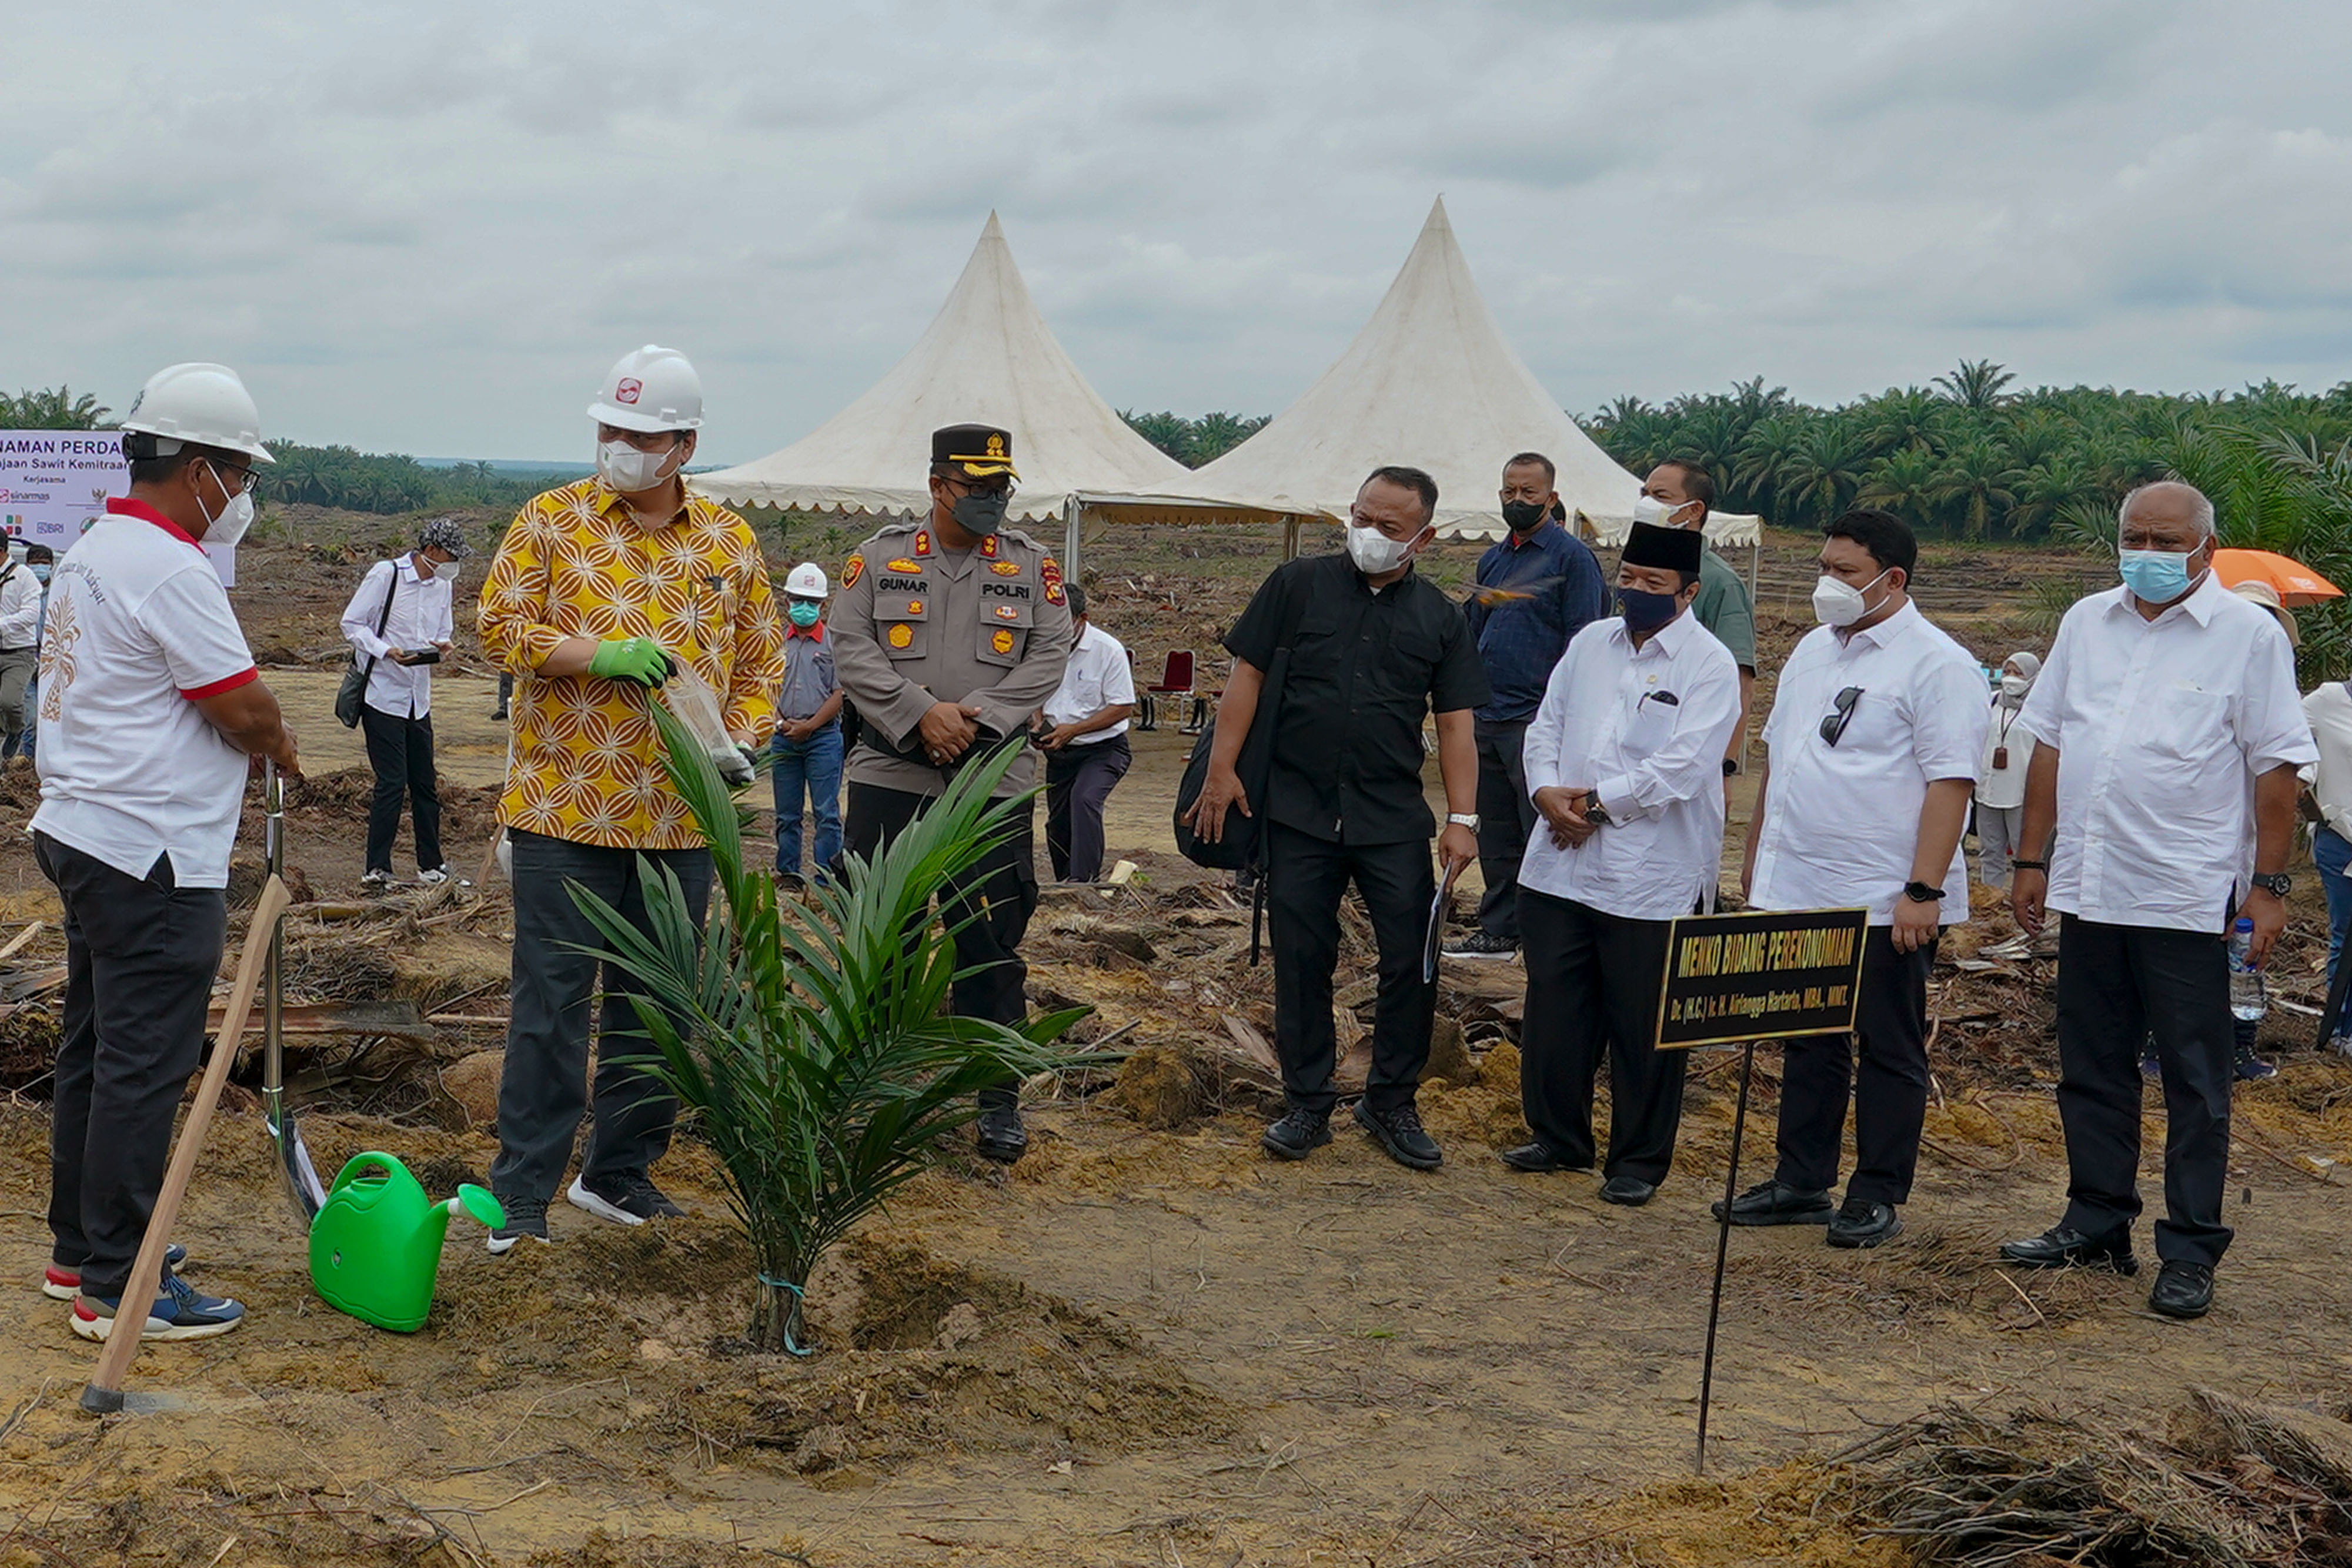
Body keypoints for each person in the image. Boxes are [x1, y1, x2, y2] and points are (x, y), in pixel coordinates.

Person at [477, 345, 786, 1252]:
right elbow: (499, 624)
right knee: (551, 1007)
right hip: (565, 812)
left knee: (657, 1005)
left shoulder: (730, 541)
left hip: (682, 819)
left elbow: (762, 661)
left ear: (684, 445)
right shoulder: (551, 519)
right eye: (610, 428)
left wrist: (743, 742)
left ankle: (615, 1172)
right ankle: (524, 1191)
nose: (620, 444)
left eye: (641, 433)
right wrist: (593, 651)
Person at [2001, 483, 2316, 1319]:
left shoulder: (2248, 637)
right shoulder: (2086, 622)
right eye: (2134, 534)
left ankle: (2190, 1247)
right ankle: (2097, 1221)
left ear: (2205, 548)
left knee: (2195, 1078)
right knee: (2092, 1067)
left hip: (2187, 894)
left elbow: (2277, 766)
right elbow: (2050, 742)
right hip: (2092, 888)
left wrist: (2270, 887)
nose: (2146, 549)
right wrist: (2031, 856)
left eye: (2165, 537)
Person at [35, 362, 298, 1340]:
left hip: (86, 831)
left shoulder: (99, 546)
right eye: (240, 473)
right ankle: (120, 1279)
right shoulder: (170, 564)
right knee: (141, 1067)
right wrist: (277, 740)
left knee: (98, 1054)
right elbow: (239, 704)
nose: (245, 496)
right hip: (149, 853)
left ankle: (81, 1253)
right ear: (197, 469)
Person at [1184, 466, 1489, 1170]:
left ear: (1424, 536)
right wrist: (1222, 769)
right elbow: (1246, 681)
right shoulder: (1295, 586)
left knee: (1411, 961)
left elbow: (1454, 727)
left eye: (1388, 528)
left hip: (1391, 821)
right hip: (1296, 811)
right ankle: (1307, 1103)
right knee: (1301, 958)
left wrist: (1462, 818)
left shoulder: (1440, 619)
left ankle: (1391, 1103)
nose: (1370, 536)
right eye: (1361, 518)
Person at [1725, 508, 1984, 1248]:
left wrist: (1922, 890)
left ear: (1891, 579)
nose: (1826, 583)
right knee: (1807, 1039)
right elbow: (1782, 757)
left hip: (1882, 896)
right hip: (1798, 883)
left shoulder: (1937, 663)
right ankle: (1800, 1179)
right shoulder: (1813, 649)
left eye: (1844, 572)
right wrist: (1756, 859)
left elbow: (1950, 782)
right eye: (1823, 567)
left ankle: (1876, 1191)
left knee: (1888, 1047)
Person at [831, 424, 1075, 1163]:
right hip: (891, 773)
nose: (994, 502)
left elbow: (1050, 652)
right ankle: (877, 1089)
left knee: (989, 944)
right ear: (939, 487)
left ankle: (996, 1099)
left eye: (1003, 489)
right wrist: (919, 714)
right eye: (979, 490)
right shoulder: (878, 558)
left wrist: (979, 721)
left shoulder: (1033, 566)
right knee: (884, 935)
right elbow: (851, 646)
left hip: (990, 780)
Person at [1505, 521, 1740, 1203]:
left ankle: (1636, 1162)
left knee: (1646, 1022)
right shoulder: (1589, 644)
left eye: (1653, 584)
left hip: (1650, 875)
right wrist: (1548, 794)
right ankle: (1558, 1137)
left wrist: (1596, 809)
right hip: (1558, 861)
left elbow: (1686, 767)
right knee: (1557, 1007)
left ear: (1688, 591)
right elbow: (1544, 726)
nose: (1634, 591)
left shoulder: (1708, 664)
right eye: (1628, 578)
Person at [1444, 452, 1606, 961]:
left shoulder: (1571, 559)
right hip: (1485, 714)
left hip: (1534, 719)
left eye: (1529, 493)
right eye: (1510, 492)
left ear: (1551, 498)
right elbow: (1474, 631)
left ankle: (1543, 934)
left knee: (1537, 828)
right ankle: (1499, 929)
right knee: (1494, 829)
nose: (1518, 500)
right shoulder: (1494, 559)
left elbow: (1587, 642)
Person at [341, 517, 470, 888]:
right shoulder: (387, 575)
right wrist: (386, 652)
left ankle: (431, 866)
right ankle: (376, 868)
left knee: (425, 783)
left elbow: (442, 630)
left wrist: (441, 646)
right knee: (392, 783)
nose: (453, 564)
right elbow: (352, 624)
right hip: (382, 695)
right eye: (449, 555)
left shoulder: (442, 586)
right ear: (430, 551)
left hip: (418, 698)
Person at [1636, 461, 1757, 772]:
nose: (1647, 505)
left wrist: (1724, 767)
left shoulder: (1720, 582)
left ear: (1694, 510)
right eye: (1644, 495)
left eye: (1660, 497)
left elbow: (1740, 682)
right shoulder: (1634, 573)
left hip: (1684, 753)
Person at [1037, 584, 1137, 883]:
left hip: (1104, 749)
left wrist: (1074, 730)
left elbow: (1122, 706)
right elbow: (1033, 693)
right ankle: (1064, 884)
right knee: (1058, 823)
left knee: (1085, 800)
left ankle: (1085, 884)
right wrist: (1036, 720)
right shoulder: (1041, 648)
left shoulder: (1108, 650)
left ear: (1081, 618)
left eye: (1061, 621)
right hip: (1060, 752)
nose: (1054, 628)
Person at [770, 561, 844, 889]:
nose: (804, 608)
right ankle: (789, 874)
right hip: (783, 737)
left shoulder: (834, 643)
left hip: (823, 738)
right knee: (787, 813)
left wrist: (811, 725)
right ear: (786, 600)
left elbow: (841, 692)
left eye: (811, 602)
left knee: (826, 813)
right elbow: (763, 684)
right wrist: (779, 722)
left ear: (822, 605)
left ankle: (826, 879)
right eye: (797, 600)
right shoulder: (774, 641)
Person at [2303, 668, 2352, 1054]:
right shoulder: (2328, 700)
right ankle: (2340, 1030)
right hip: (2341, 839)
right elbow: (2290, 741)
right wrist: (2304, 779)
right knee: (2345, 933)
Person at [1973, 652, 2042, 888]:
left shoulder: (2039, 709)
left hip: (2021, 791)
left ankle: (2022, 897)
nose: (2011, 679)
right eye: (2008, 672)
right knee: (1990, 850)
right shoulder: (1990, 702)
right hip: (1988, 789)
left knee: (2023, 853)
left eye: (2019, 673)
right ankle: (1992, 895)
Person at [5, 544, 55, 760]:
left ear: (52, 566)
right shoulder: (16, 586)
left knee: (54, 724)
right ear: (28, 565)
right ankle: (26, 764)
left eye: (45, 564)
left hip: (53, 666)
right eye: (36, 564)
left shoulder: (59, 593)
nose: (40, 568)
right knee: (31, 720)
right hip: (26, 660)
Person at [0, 536, 44, 762]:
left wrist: (2, 626)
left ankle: (15, 730)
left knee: (9, 701)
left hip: (18, 652)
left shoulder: (25, 577)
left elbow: (31, 614)